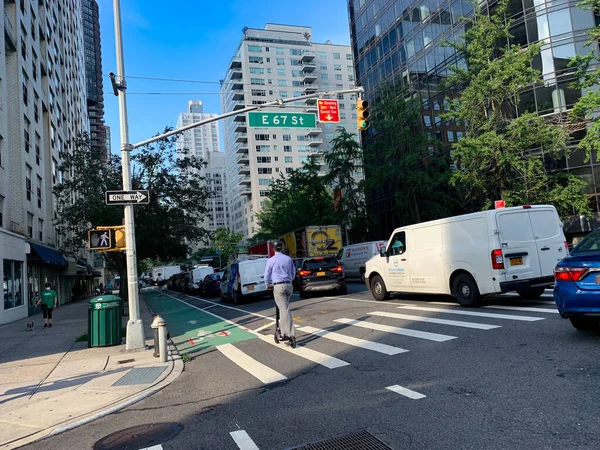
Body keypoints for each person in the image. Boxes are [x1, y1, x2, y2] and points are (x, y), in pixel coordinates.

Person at [264, 240, 297, 347]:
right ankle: (283, 332)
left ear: (273, 249)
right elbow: (293, 273)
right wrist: (289, 280)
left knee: (285, 310)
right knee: (283, 309)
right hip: (288, 285)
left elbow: (267, 275)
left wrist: (268, 284)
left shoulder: (271, 260)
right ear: (281, 248)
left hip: (278, 286)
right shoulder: (288, 259)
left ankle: (291, 334)